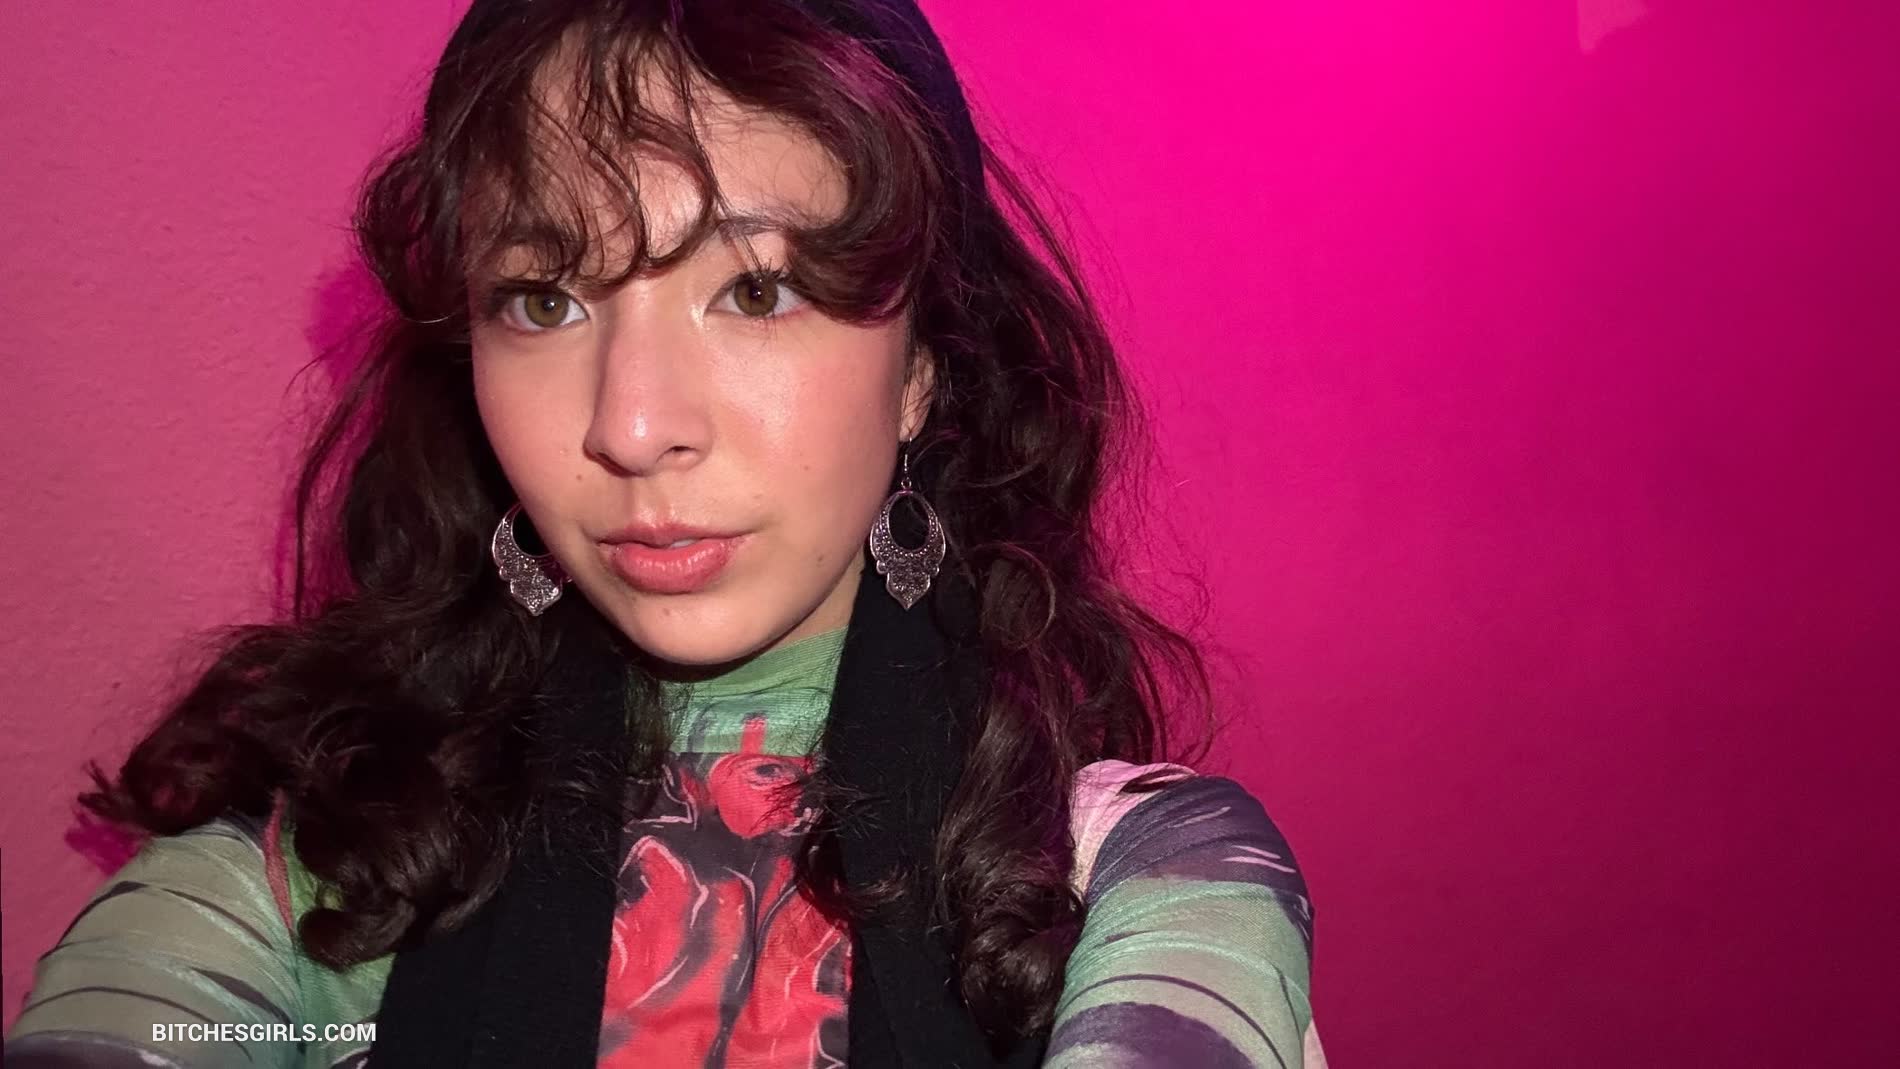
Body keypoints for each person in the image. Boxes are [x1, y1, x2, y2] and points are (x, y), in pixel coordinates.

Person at [5, 1, 1324, 1066]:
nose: (631, 428)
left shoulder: (1142, 880)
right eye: (543, 301)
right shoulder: (321, 877)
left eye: (755, 289)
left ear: (922, 364)